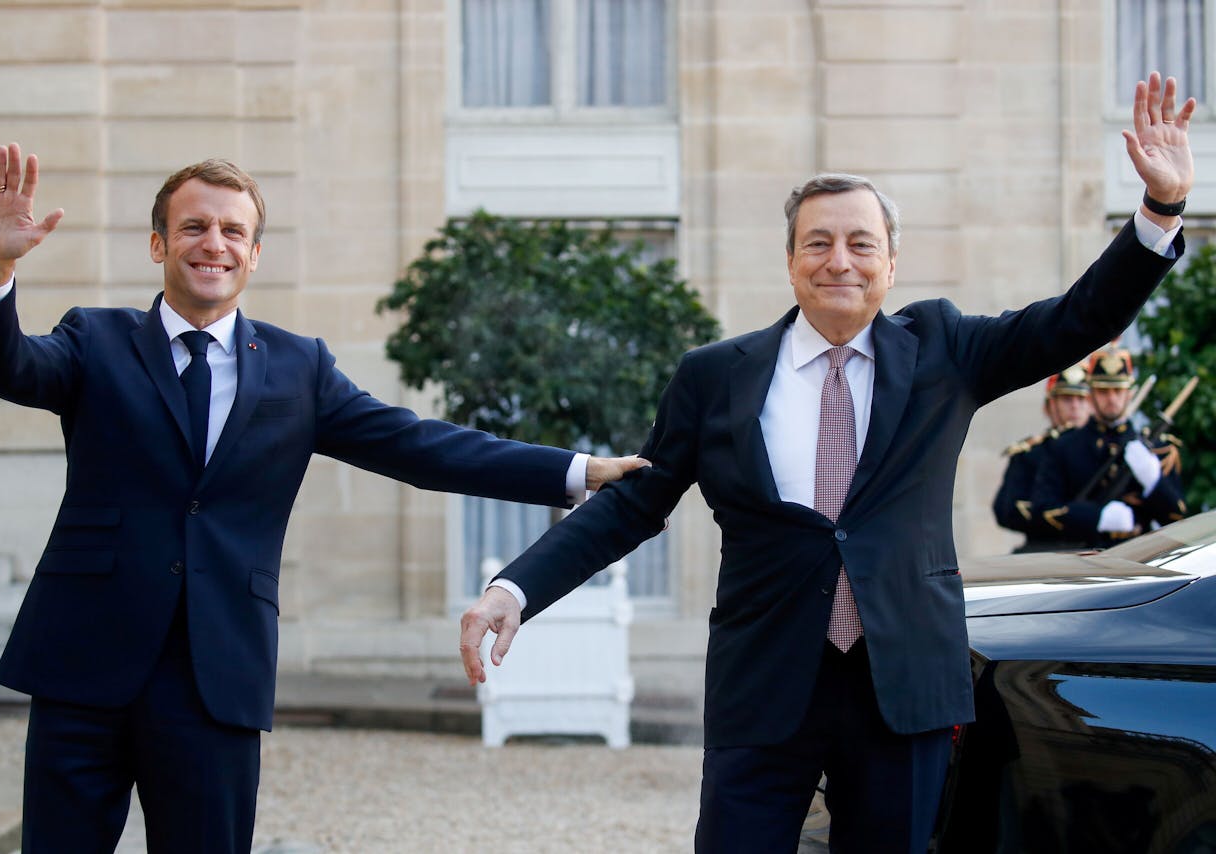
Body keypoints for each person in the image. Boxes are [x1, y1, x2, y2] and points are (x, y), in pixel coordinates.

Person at [458, 72, 1195, 853]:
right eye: (818, 242)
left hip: (902, 685)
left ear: (891, 262)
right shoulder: (715, 375)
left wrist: (1159, 211)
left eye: (859, 243)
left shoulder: (947, 350)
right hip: (765, 683)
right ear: (790, 260)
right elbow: (635, 503)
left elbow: (1076, 319)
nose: (839, 260)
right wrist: (518, 587)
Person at [0, 144, 646, 853]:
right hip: (83, 660)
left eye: (232, 231)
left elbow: (420, 446)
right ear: (159, 243)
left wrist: (578, 470)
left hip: (216, 671)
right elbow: (7, 366)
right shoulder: (94, 339)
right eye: (194, 227)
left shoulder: (299, 368)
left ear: (254, 255)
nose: (213, 244)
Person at [1031, 344, 1187, 549]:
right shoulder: (1064, 446)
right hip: (1082, 564)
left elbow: (1179, 519)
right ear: (1091, 394)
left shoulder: (1158, 449)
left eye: (1118, 390)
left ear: (1129, 393)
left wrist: (1154, 482)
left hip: (1140, 563)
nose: (1112, 399)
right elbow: (1041, 511)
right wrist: (1096, 517)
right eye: (1103, 391)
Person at [991, 361, 1092, 552]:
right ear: (1050, 406)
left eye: (1082, 399)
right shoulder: (1031, 453)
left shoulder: (1102, 450)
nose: (1075, 407)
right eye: (1067, 399)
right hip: (1044, 549)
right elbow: (1005, 510)